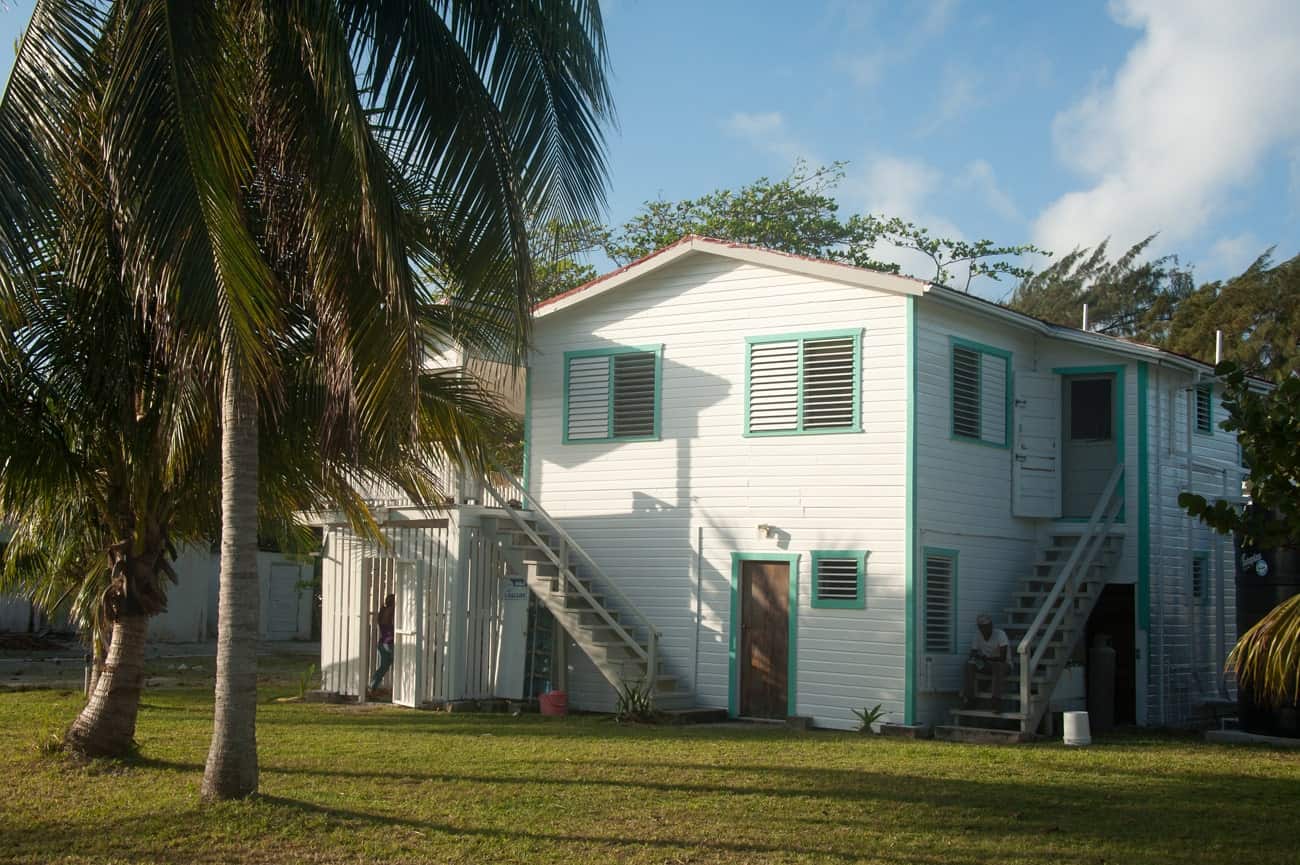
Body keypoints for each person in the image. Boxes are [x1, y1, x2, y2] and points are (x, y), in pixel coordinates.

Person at [961, 613, 1010, 713]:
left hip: (1004, 665)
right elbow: (973, 654)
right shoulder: (977, 635)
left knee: (998, 666)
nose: (987, 629)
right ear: (979, 627)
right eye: (983, 627)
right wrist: (976, 657)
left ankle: (996, 700)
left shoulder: (1000, 634)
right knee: (969, 664)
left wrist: (986, 658)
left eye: (989, 626)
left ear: (991, 625)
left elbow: (1003, 658)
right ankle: (970, 698)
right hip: (987, 665)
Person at [368, 594, 396, 696]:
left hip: (383, 644)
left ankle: (372, 687)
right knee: (397, 664)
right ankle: (374, 687)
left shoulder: (383, 611)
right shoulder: (389, 612)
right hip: (389, 644)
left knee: (383, 667)